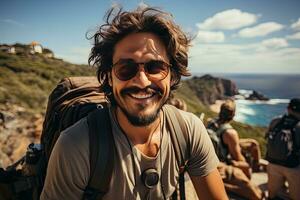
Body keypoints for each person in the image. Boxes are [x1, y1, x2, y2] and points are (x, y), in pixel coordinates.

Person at [40, 6, 228, 200]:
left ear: (172, 76)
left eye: (155, 67)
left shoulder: (188, 130)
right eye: (125, 68)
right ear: (109, 78)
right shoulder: (76, 146)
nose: (142, 81)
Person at [207, 99, 263, 199]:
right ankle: (248, 175)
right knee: (257, 195)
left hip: (215, 151)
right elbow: (237, 157)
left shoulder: (211, 122)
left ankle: (255, 168)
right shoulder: (230, 133)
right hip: (220, 163)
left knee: (253, 144)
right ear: (233, 114)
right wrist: (245, 162)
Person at [266, 98, 300, 200]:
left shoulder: (275, 121)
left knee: (272, 195)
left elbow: (268, 137)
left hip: (273, 163)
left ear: (288, 109)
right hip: (294, 167)